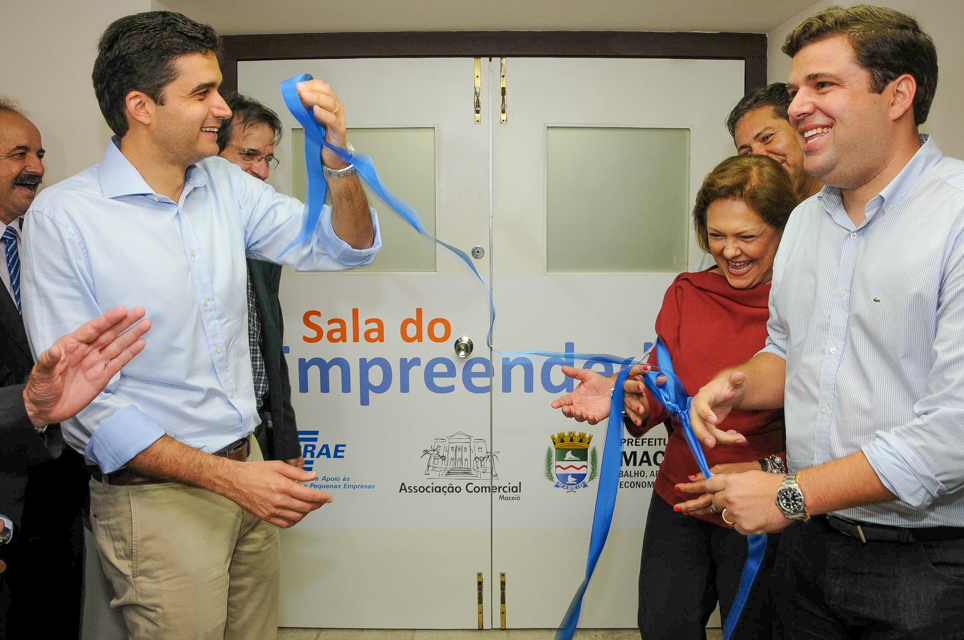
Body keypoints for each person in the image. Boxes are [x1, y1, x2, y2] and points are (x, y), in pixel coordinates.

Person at [20, 11, 381, 640]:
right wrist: (229, 478)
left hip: (247, 472)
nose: (222, 107)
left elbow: (341, 248)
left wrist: (339, 162)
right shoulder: (64, 219)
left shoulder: (222, 184)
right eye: (200, 93)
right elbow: (85, 413)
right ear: (141, 106)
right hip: (157, 499)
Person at [685, 6, 964, 637]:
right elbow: (787, 350)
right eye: (796, 91)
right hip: (810, 552)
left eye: (823, 85)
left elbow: (953, 436)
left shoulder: (956, 216)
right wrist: (738, 383)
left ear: (899, 95)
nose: (798, 107)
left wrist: (788, 494)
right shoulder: (807, 222)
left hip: (929, 568)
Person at [551, 154, 798, 638]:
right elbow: (666, 387)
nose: (730, 251)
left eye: (747, 236)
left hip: (758, 506)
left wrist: (774, 474)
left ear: (787, 230)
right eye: (716, 235)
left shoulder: (804, 304)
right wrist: (629, 397)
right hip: (679, 499)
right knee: (662, 626)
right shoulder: (687, 292)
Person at [0, 90, 151, 640]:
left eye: (39, 155)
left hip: (59, 497)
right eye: (19, 154)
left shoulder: (44, 239)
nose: (36, 168)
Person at [218, 92, 302, 468]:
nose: (263, 171)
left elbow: (268, 348)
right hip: (194, 454)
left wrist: (285, 440)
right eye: (248, 155)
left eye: (266, 158)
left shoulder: (260, 237)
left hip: (256, 440)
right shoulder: (169, 239)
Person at [727, 83, 822, 201]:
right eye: (747, 153)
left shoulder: (847, 201)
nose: (758, 157)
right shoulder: (758, 216)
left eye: (766, 138)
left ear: (801, 129)